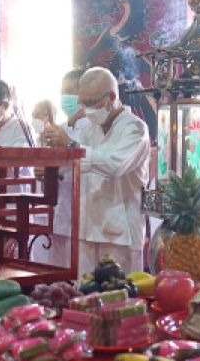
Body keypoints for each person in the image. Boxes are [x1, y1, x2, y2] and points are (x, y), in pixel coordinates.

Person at [41, 67, 152, 274]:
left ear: (111, 97)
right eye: (83, 103)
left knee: (118, 295)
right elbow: (73, 165)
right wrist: (52, 164)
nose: (86, 109)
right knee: (84, 295)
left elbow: (114, 164)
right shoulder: (88, 129)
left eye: (91, 103)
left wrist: (72, 146)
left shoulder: (135, 128)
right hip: (87, 226)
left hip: (120, 231)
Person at [31, 69, 87, 266]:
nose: (66, 97)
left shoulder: (94, 128)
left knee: (80, 272)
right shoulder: (60, 127)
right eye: (63, 92)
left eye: (71, 91)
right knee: (57, 273)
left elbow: (95, 162)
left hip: (85, 215)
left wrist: (69, 143)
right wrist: (44, 172)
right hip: (59, 211)